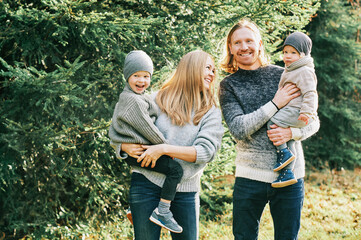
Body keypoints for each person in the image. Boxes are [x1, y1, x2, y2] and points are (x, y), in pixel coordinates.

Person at [219, 19, 320, 240]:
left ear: (260, 44)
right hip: (249, 176)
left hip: (291, 176)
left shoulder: (285, 74)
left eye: (249, 40)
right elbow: (238, 128)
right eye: (237, 42)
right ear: (230, 48)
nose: (244, 47)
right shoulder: (228, 85)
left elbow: (313, 119)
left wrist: (292, 133)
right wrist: (275, 103)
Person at [118, 50, 224, 240]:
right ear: (191, 69)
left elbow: (206, 151)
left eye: (214, 70)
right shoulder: (156, 99)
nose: (212, 74)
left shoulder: (210, 110)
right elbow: (126, 125)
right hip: (146, 183)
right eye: (207, 68)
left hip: (186, 189)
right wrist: (122, 147)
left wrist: (164, 149)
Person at [109, 50, 185, 233]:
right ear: (127, 76)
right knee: (175, 170)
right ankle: (163, 211)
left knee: (162, 172)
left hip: (135, 149)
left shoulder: (136, 97)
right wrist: (166, 148)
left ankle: (135, 209)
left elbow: (113, 127)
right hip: (138, 150)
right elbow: (147, 128)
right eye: (136, 76)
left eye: (146, 76)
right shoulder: (132, 100)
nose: (141, 81)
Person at [268, 32, 318, 188]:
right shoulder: (291, 70)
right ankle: (287, 173)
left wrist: (307, 112)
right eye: (285, 52)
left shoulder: (304, 71)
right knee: (285, 135)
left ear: (302, 54)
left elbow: (310, 93)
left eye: (293, 52)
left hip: (298, 111)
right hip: (294, 110)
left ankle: (284, 153)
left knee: (272, 122)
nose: (287, 56)